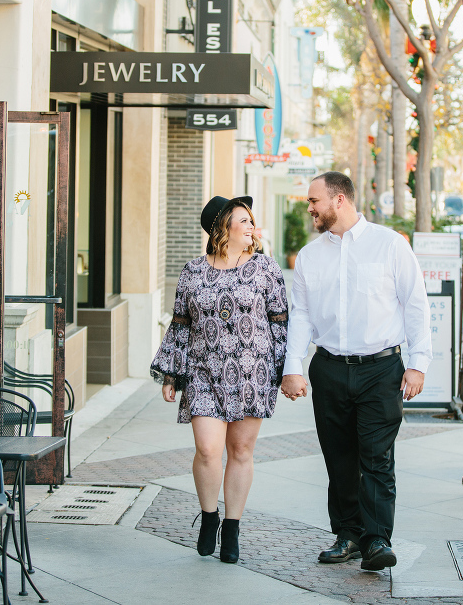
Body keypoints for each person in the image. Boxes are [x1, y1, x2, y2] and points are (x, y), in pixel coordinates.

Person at [281, 171, 431, 571]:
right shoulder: (311, 256)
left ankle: (377, 539)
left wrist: (418, 364)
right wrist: (292, 367)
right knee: (339, 458)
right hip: (328, 369)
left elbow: (415, 304)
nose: (309, 208)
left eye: (314, 201)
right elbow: (301, 317)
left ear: (339, 200)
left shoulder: (389, 245)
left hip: (381, 369)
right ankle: (347, 534)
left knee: (376, 457)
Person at [150, 195, 288, 564]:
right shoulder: (192, 270)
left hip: (251, 374)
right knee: (208, 450)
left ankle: (232, 526)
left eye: (251, 220)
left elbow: (280, 324)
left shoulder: (266, 269)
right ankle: (209, 516)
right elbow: (180, 323)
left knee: (241, 451)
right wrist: (171, 373)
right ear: (221, 228)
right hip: (203, 372)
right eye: (242, 220)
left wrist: (286, 372)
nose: (250, 226)